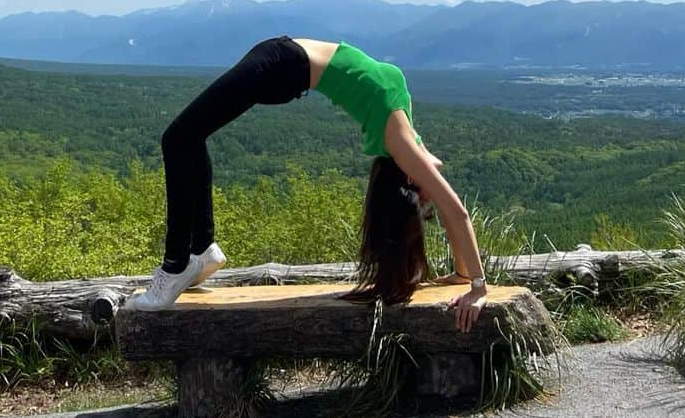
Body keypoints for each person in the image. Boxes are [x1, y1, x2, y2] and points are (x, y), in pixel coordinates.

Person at [126, 35, 489, 332]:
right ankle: (198, 252)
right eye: (425, 204)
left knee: (178, 139)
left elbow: (451, 208)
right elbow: (454, 209)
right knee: (188, 138)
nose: (429, 201)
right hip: (285, 61)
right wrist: (471, 282)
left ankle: (178, 264)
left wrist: (470, 282)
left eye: (421, 205)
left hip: (284, 65)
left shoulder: (401, 142)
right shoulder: (407, 145)